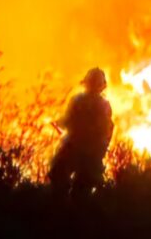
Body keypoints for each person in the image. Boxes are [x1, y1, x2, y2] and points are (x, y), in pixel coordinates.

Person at [48, 68, 114, 198]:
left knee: (59, 177)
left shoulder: (79, 101)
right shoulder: (104, 105)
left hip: (77, 148)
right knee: (80, 192)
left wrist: (58, 122)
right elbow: (108, 131)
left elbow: (68, 121)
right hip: (90, 154)